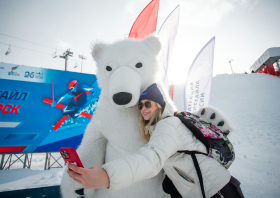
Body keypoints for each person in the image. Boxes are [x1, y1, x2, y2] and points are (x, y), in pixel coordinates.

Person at [67, 83, 244, 198]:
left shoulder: (169, 125)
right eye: (140, 105)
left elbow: (150, 159)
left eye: (148, 104)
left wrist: (107, 176)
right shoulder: (158, 128)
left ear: (159, 104)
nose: (143, 109)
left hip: (217, 191)